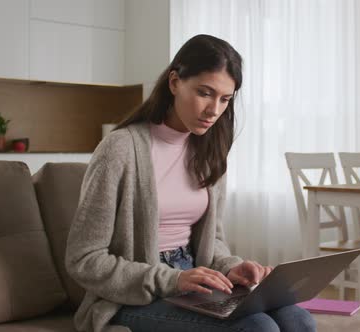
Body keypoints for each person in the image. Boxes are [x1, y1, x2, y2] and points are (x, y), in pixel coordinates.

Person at [65, 34, 316, 332]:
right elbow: (84, 258)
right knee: (258, 327)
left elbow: (213, 241)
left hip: (194, 280)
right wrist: (172, 279)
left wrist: (231, 267)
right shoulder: (120, 150)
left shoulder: (209, 152)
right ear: (174, 82)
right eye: (205, 93)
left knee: (297, 318)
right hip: (132, 298)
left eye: (225, 99)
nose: (214, 110)